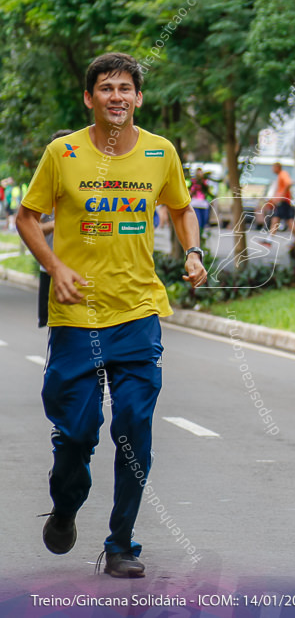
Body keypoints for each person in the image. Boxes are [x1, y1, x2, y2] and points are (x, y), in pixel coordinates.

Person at [16, 52, 207, 578]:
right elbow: (27, 218)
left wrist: (193, 252)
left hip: (137, 311)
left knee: (134, 423)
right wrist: (55, 267)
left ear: (138, 98)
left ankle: (121, 542)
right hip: (77, 316)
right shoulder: (64, 152)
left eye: (126, 88)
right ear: (89, 97)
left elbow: (182, 207)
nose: (117, 96)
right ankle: (67, 503)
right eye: (106, 88)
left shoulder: (160, 152)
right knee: (77, 432)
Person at [36, 130, 76, 328]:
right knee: (57, 325)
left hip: (82, 268)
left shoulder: (89, 184)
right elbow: (29, 225)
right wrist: (55, 224)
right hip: (51, 268)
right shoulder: (45, 187)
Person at [189, 166, 213, 237]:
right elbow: (190, 191)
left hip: (203, 204)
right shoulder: (193, 182)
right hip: (195, 204)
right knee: (198, 222)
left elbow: (209, 192)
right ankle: (197, 236)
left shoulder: (205, 182)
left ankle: (201, 236)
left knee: (203, 221)